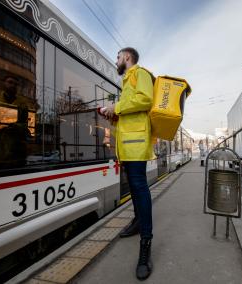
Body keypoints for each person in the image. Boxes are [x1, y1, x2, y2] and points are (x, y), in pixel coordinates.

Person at [102, 47, 155, 280]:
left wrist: (117, 107)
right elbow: (130, 109)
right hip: (128, 143)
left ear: (127, 57)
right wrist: (113, 113)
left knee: (139, 187)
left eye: (118, 57)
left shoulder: (140, 73)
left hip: (136, 142)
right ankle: (137, 222)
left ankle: (146, 245)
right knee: (134, 187)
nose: (116, 61)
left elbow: (145, 100)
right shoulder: (127, 81)